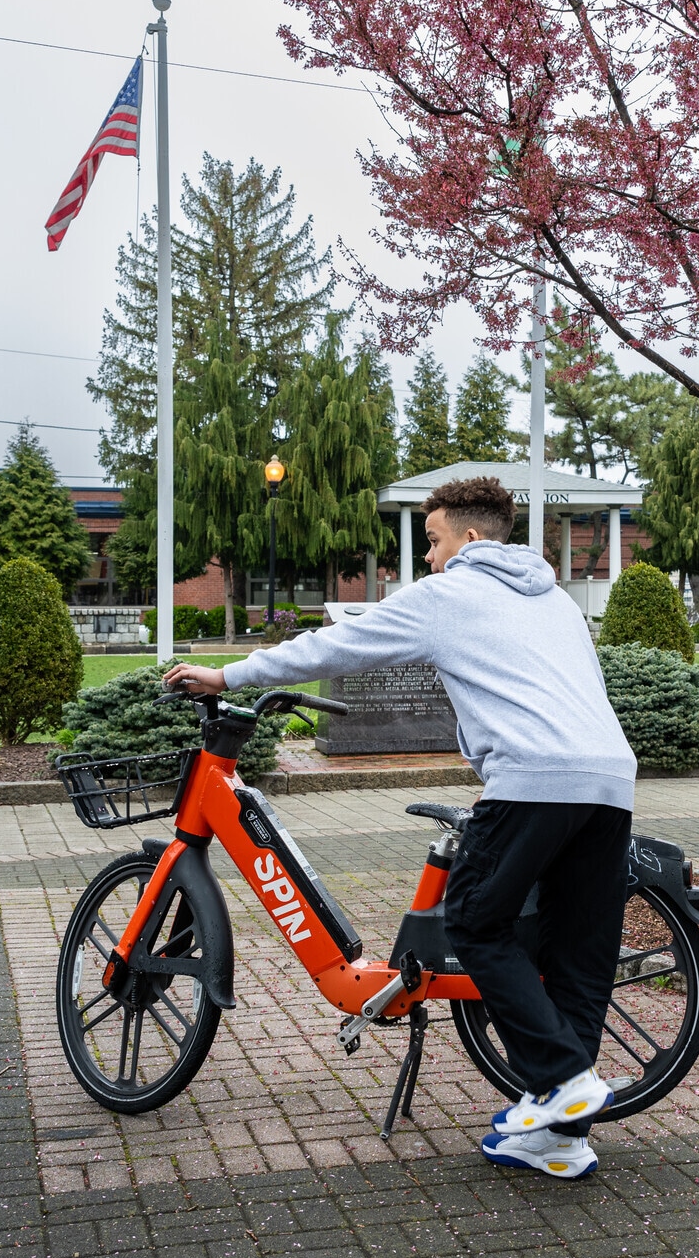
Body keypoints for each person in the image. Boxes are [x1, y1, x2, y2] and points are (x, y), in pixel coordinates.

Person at [162, 476, 636, 1180]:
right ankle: (561, 1133)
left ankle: (565, 1078)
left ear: (470, 539)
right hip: (610, 781)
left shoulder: (450, 593)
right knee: (578, 950)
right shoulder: (557, 600)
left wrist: (227, 676)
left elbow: (340, 643)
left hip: (534, 779)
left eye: (435, 542)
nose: (432, 558)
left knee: (474, 920)